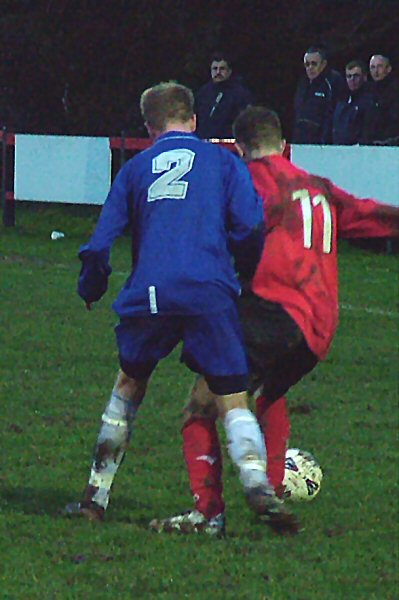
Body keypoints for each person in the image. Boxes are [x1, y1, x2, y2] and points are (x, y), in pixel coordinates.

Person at [150, 105, 399, 537]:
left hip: (273, 311)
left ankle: (209, 512)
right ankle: (275, 485)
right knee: (267, 396)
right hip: (320, 329)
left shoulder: (250, 180)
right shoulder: (319, 187)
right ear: (284, 144)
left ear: (242, 148)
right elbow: (370, 215)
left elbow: (228, 233)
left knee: (200, 405)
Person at [64, 82, 293, 530]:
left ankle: (96, 496)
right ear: (193, 121)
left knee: (129, 384)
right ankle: (257, 486)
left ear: (150, 128)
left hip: (150, 291)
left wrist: (91, 286)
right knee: (230, 390)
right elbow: (250, 225)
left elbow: (99, 243)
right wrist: (243, 271)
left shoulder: (135, 169)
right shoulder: (224, 162)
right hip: (208, 288)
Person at [292, 46, 346, 144]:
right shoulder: (303, 83)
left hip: (322, 141)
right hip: (301, 139)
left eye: (314, 64)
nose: (310, 68)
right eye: (307, 64)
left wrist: (326, 140)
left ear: (323, 64)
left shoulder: (332, 81)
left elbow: (334, 113)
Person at [195, 51, 253, 139]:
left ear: (229, 71)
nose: (218, 72)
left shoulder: (240, 94)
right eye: (215, 69)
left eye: (222, 69)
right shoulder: (203, 93)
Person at [332, 59, 375, 145]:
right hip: (339, 149)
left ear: (364, 77)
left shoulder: (371, 100)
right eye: (349, 76)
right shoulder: (342, 100)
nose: (352, 79)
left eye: (356, 76)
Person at [364, 54, 399, 145]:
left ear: (388, 69)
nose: (376, 71)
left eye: (379, 66)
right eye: (372, 67)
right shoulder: (367, 91)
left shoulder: (394, 91)